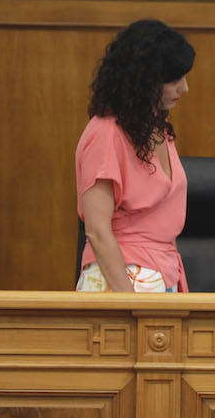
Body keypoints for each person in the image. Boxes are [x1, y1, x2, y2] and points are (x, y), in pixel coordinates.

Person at [75, 19, 195, 292]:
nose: (184, 88)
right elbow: (96, 229)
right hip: (119, 280)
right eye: (174, 79)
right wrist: (129, 302)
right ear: (144, 79)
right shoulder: (105, 133)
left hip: (164, 274)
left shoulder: (157, 129)